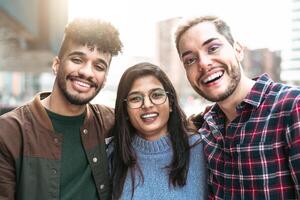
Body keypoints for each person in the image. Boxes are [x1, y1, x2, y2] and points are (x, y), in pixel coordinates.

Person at [174, 15, 300, 199]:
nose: (203, 63)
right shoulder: (206, 127)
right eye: (190, 60)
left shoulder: (292, 107)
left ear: (238, 49)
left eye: (213, 48)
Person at [0, 18, 122, 200]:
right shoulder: (10, 131)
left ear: (104, 80)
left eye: (98, 66)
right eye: (77, 59)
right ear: (56, 65)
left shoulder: (109, 121)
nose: (87, 72)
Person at [109, 62, 207, 200]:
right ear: (125, 110)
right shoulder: (112, 154)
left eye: (156, 95)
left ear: (171, 102)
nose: (147, 105)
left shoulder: (201, 148)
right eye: (135, 98)